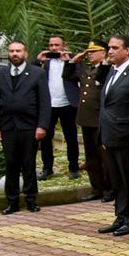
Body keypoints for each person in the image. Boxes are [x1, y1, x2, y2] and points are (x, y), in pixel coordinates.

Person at [0, 40, 51, 215]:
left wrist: (42, 125)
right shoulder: (0, 74)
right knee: (11, 165)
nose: (14, 54)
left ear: (25, 53)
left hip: (29, 126)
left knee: (28, 163)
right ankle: (12, 201)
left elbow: (45, 102)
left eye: (18, 51)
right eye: (11, 51)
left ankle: (31, 199)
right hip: (8, 126)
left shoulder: (37, 73)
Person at [97, 35, 129, 235]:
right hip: (110, 136)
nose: (110, 51)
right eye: (109, 48)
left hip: (127, 137)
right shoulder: (112, 72)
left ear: (127, 51)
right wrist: (102, 134)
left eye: (115, 48)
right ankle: (120, 216)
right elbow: (106, 106)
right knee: (117, 180)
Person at [67, 39, 111, 202]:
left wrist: (105, 63)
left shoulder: (107, 69)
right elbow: (68, 75)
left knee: (104, 156)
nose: (90, 54)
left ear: (103, 53)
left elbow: (101, 79)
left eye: (93, 51)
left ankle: (109, 188)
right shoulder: (87, 69)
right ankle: (97, 187)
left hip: (99, 118)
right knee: (91, 156)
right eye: (88, 51)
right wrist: (74, 60)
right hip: (86, 118)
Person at [35, 35, 80, 181]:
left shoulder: (71, 59)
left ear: (63, 45)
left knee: (71, 136)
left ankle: (74, 167)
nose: (54, 48)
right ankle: (47, 168)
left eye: (57, 45)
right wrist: (38, 61)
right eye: (51, 45)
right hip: (49, 105)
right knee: (46, 137)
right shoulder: (45, 62)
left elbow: (80, 75)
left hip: (67, 103)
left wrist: (69, 62)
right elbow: (30, 74)